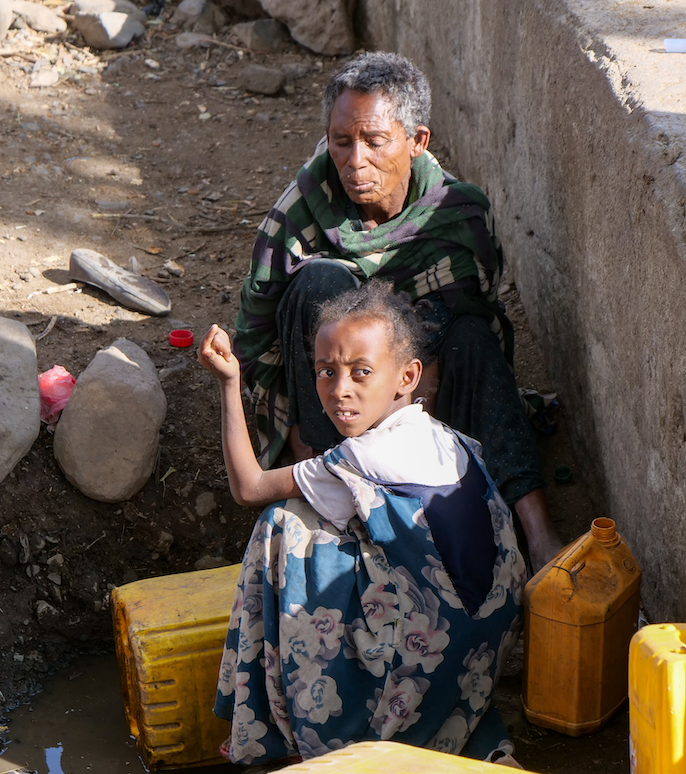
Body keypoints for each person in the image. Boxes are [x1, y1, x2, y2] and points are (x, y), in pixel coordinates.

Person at [232, 51, 562, 570]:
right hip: (331, 398)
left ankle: (537, 533)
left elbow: (480, 306)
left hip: (426, 399)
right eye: (341, 142)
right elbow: (255, 334)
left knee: (473, 336)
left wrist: (413, 385)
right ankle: (326, 491)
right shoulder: (299, 212)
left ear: (417, 141)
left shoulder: (459, 214)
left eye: (374, 142)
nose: (354, 161)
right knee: (323, 282)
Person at [199, 280, 527, 766]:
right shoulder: (443, 436)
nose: (339, 390)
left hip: (426, 660)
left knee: (282, 525)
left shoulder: (364, 454)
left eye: (361, 372)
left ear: (407, 376)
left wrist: (229, 382)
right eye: (325, 372)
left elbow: (248, 487)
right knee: (329, 519)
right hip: (481, 652)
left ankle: (284, 732)